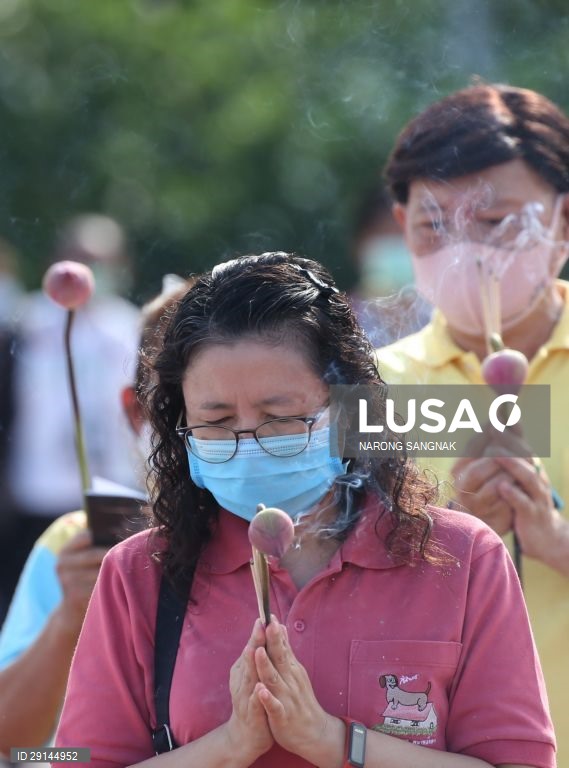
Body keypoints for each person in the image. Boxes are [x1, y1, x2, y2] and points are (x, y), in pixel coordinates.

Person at [54, 252, 554, 768]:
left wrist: (334, 741)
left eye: (281, 417)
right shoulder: (139, 571)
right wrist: (229, 746)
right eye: (217, 420)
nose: (248, 440)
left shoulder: (460, 556)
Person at [374, 83, 569, 765]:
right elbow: (334, 585)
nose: (470, 250)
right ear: (401, 228)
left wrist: (554, 541)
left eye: (499, 223)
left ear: (564, 221)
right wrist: (453, 530)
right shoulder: (368, 390)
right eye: (436, 226)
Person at [0, 277, 190, 755]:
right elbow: (15, 747)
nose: (211, 429)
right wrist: (69, 616)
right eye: (178, 404)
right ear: (134, 411)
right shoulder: (76, 545)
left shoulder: (298, 540)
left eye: (268, 408)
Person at [1, 214, 141, 618]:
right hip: (33, 498)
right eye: (78, 257)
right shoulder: (23, 326)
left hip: (113, 499)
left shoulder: (132, 328)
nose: (87, 270)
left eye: (100, 259)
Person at [350, 184, 432, 347]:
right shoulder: (334, 322)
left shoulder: (445, 321)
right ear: (357, 244)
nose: (394, 244)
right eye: (383, 233)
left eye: (401, 235)